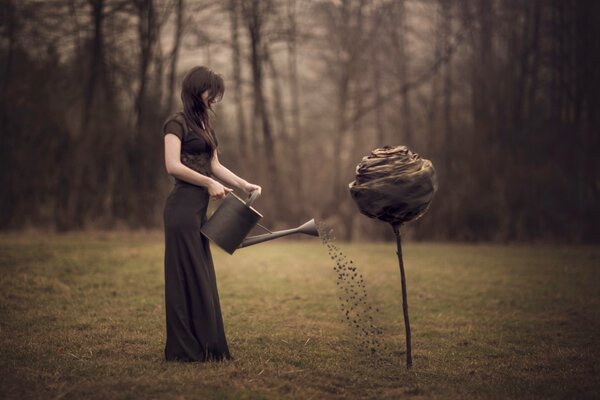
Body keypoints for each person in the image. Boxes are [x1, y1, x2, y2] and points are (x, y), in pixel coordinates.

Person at [162, 66, 261, 362]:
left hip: (198, 212)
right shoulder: (175, 122)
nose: (214, 99)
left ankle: (207, 347)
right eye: (211, 93)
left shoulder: (204, 124)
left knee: (201, 275)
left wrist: (244, 184)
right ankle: (184, 349)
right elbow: (172, 165)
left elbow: (214, 165)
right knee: (184, 277)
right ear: (196, 90)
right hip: (181, 210)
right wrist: (207, 183)